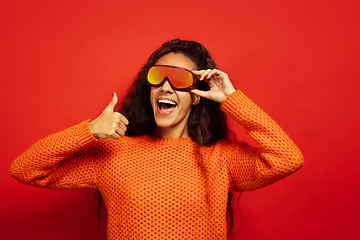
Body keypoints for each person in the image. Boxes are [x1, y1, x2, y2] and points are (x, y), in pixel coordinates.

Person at [10, 39, 304, 239]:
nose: (166, 87)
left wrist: (232, 99)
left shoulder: (220, 158)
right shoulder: (113, 153)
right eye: (158, 77)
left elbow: (287, 158)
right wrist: (89, 130)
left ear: (198, 97)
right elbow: (25, 169)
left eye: (179, 80)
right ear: (148, 88)